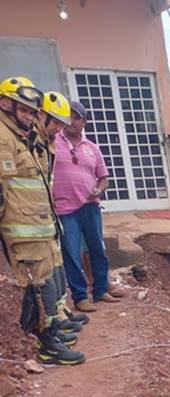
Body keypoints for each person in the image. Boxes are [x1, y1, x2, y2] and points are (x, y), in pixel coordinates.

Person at [0, 76, 84, 365]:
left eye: (31, 111)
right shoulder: (3, 137)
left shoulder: (22, 137)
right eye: (23, 110)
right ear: (5, 105)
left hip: (38, 225)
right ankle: (47, 344)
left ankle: (53, 332)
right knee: (36, 286)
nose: (29, 116)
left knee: (48, 280)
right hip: (22, 230)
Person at [53, 99, 123, 313]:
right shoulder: (52, 143)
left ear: (84, 121)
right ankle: (80, 296)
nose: (71, 121)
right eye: (68, 117)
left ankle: (100, 290)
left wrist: (99, 190)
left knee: (97, 250)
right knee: (72, 253)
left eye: (76, 117)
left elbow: (104, 178)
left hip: (90, 207)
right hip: (65, 209)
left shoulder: (92, 148)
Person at [36, 91, 88, 334]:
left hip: (47, 215)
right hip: (30, 220)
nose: (59, 128)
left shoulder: (44, 142)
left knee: (57, 264)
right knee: (44, 270)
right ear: (42, 115)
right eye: (56, 122)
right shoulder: (25, 141)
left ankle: (60, 312)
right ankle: (49, 331)